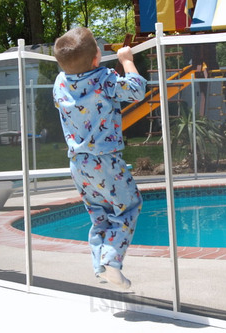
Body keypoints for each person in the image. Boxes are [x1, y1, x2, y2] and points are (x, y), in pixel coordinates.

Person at [53, 27, 147, 289]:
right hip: (105, 161)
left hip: (78, 164)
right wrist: (127, 60)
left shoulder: (60, 82)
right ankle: (112, 263)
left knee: (99, 215)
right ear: (97, 57)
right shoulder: (105, 78)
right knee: (128, 207)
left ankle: (100, 266)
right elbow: (137, 90)